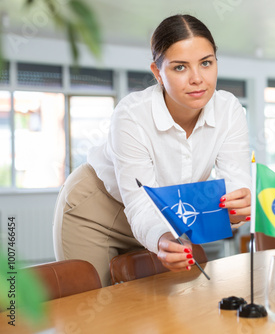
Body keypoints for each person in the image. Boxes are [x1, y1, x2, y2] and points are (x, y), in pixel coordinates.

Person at [52, 14, 251, 286]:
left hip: (162, 218)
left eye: (206, 63)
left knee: (155, 313)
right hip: (96, 210)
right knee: (94, 309)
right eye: (180, 67)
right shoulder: (132, 115)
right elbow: (141, 201)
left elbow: (237, 179)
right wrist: (162, 239)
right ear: (157, 72)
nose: (197, 78)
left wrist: (238, 204)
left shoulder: (230, 110)